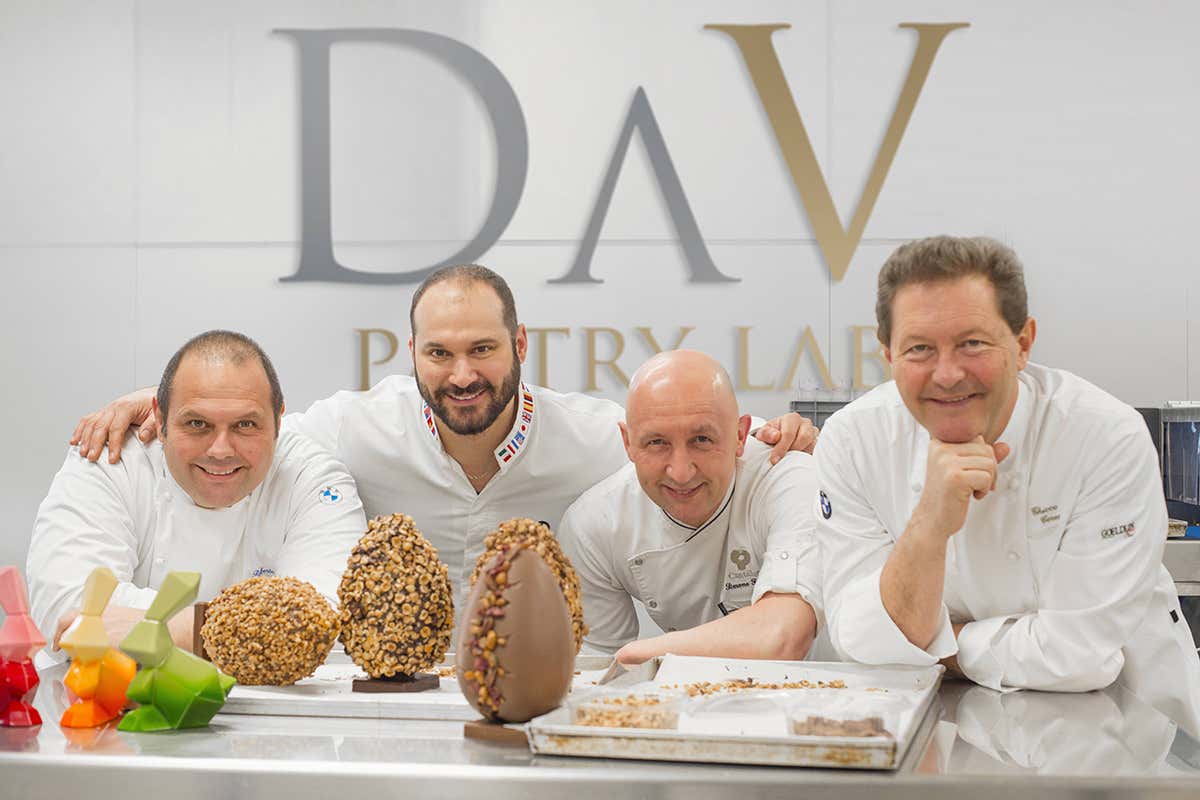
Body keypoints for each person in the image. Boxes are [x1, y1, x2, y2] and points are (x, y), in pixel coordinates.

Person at [69, 265, 817, 608]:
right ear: (413, 352)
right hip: (395, 705)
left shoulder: (596, 438)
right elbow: (242, 429)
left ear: (521, 343)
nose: (462, 374)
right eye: (440, 353)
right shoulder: (355, 429)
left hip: (538, 704)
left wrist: (793, 438)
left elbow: (701, 443)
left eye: (482, 350)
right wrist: (159, 404)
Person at [814, 236, 1200, 736]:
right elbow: (860, 641)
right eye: (919, 349)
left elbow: (1078, 655)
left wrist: (932, 645)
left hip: (1122, 730)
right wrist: (930, 522)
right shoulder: (853, 441)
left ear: (1022, 344)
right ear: (887, 352)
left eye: (972, 343)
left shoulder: (1102, 435)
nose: (947, 374)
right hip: (940, 729)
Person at [28, 330, 366, 658]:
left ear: (279, 421)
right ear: (159, 419)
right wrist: (253, 632)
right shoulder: (111, 458)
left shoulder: (313, 476)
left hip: (271, 712)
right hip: (109, 702)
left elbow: (322, 622)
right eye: (197, 424)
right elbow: (65, 607)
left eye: (245, 425)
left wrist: (165, 629)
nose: (220, 450)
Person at [560, 350, 825, 665]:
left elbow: (782, 636)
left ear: (740, 436)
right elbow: (594, 668)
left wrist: (640, 654)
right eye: (656, 443)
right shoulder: (594, 523)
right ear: (627, 443)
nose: (681, 472)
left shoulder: (788, 476)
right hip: (693, 700)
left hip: (823, 694)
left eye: (701, 439)